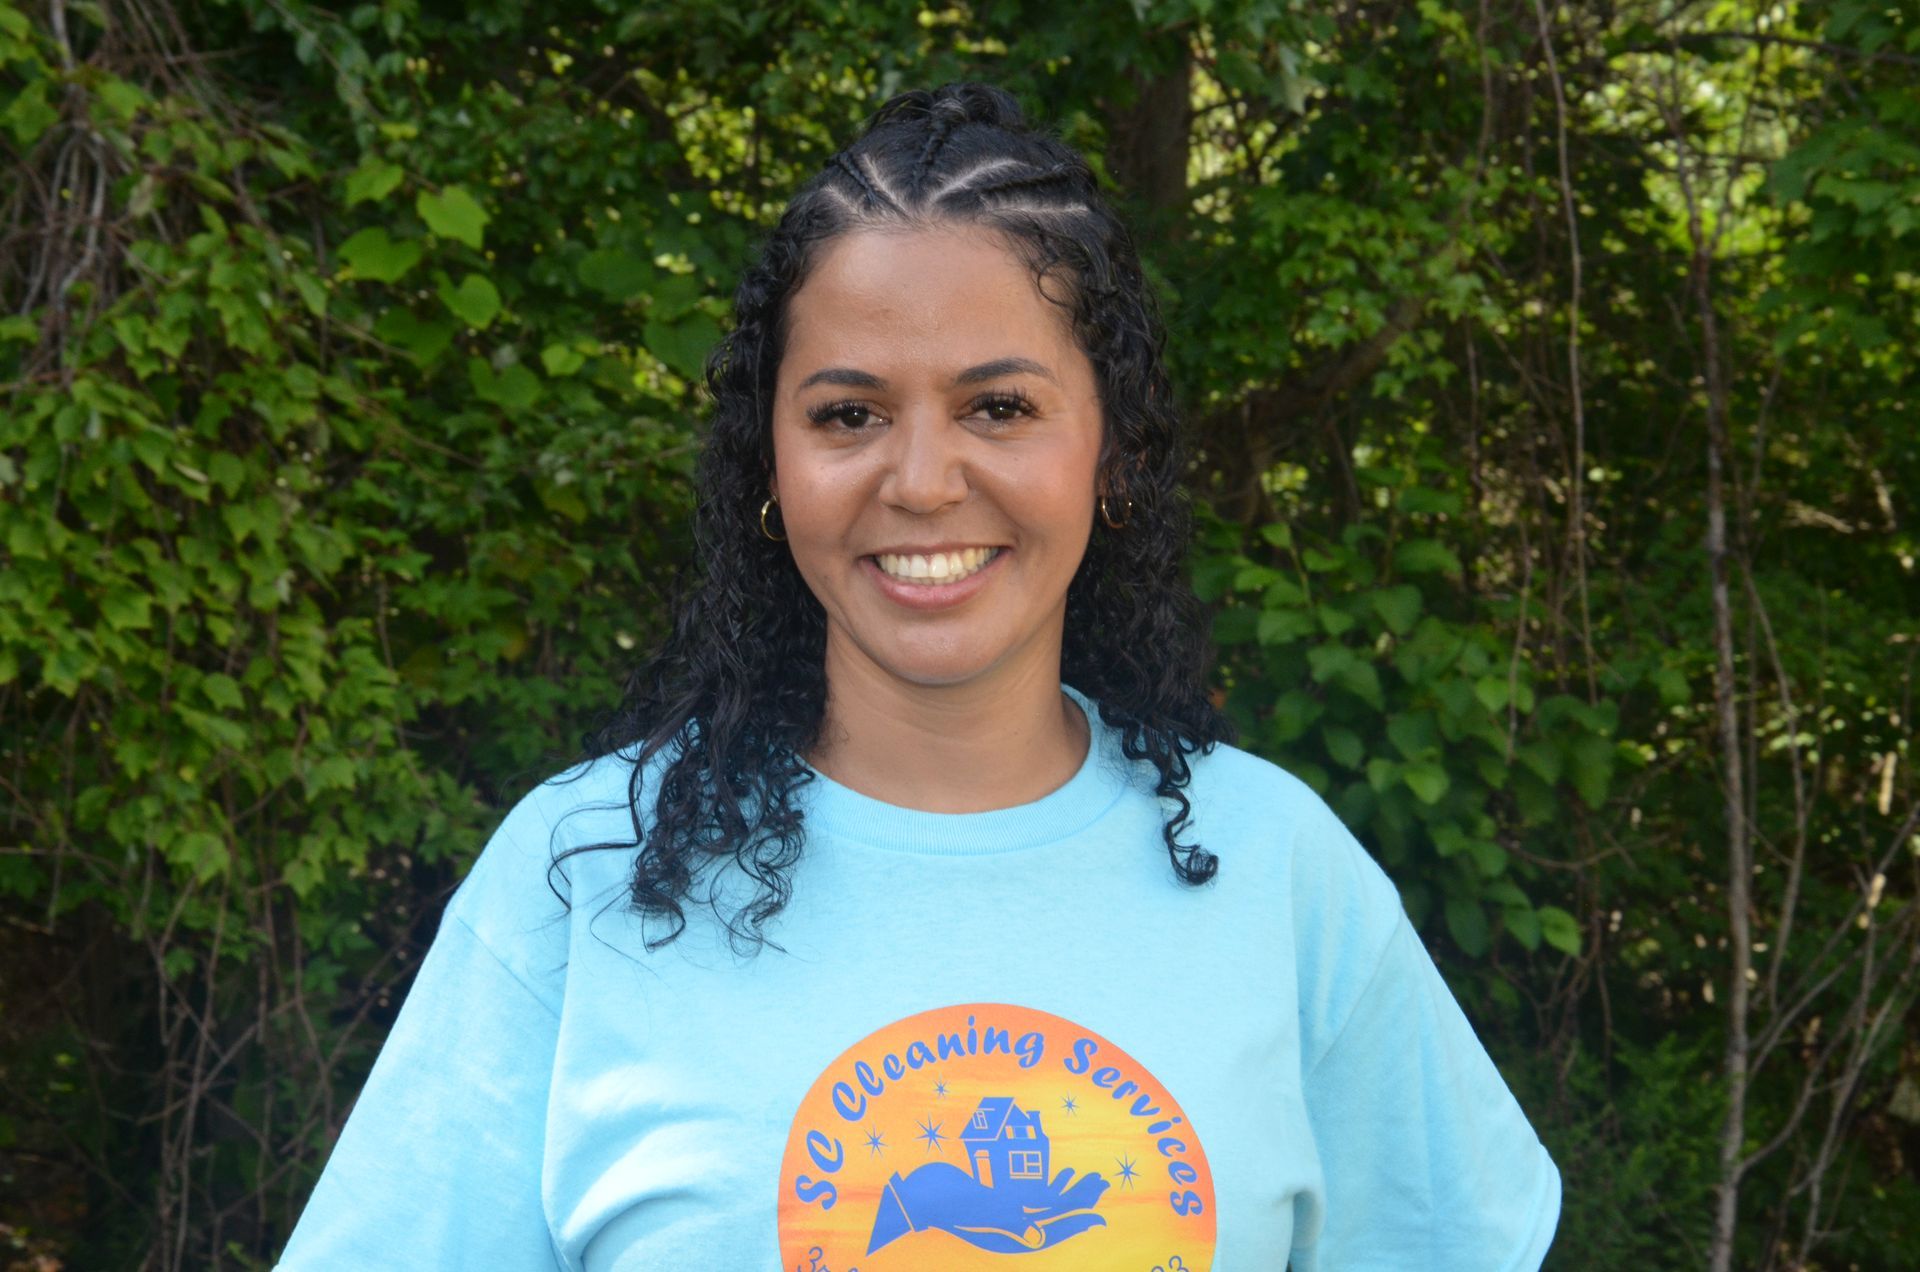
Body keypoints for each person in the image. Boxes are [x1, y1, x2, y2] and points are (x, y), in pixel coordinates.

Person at [278, 83, 1561, 1271]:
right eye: (849, 414)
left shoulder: (1281, 871)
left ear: (1110, 454)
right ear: (768, 466)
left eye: (1000, 407)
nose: (923, 479)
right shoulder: (585, 871)